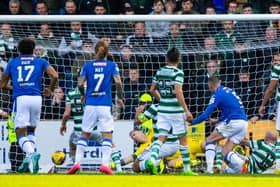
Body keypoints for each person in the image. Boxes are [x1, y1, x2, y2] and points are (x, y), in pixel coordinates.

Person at [0, 38, 58, 173]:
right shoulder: (41, 61)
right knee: (31, 130)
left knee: (19, 132)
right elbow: (55, 75)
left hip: (21, 99)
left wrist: (16, 88)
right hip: (37, 98)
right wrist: (50, 89)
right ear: (33, 50)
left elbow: (2, 84)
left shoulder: (12, 63)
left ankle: (32, 153)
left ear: (19, 50)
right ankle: (28, 157)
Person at [67, 40, 125, 175]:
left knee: (84, 134)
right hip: (104, 104)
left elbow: (80, 84)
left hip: (90, 105)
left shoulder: (87, 65)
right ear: (107, 53)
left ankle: (77, 163)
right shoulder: (112, 65)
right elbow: (118, 82)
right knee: (107, 135)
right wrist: (120, 97)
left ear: (95, 52)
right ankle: (105, 164)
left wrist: (84, 95)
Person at [148, 47, 196, 175]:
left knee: (160, 138)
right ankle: (187, 170)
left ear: (166, 59)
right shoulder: (178, 73)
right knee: (183, 140)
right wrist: (186, 110)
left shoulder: (159, 71)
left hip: (162, 110)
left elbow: (152, 90)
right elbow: (178, 91)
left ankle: (152, 159)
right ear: (179, 59)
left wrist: (162, 100)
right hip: (175, 111)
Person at [191, 76, 248, 174]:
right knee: (224, 152)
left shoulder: (217, 95)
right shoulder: (229, 90)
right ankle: (242, 164)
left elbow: (205, 114)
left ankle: (209, 170)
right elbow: (230, 110)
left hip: (233, 121)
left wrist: (192, 123)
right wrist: (218, 120)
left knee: (209, 140)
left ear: (211, 87)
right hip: (243, 123)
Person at [259, 56, 280, 174]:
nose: (276, 63)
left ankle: (278, 166)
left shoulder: (277, 68)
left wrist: (263, 104)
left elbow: (271, 88)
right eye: (275, 60)